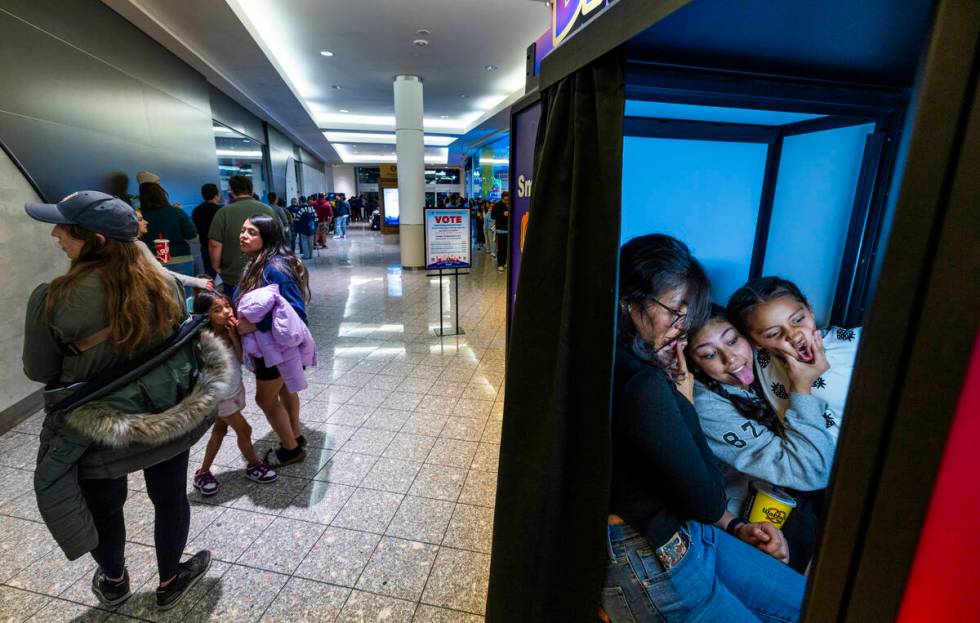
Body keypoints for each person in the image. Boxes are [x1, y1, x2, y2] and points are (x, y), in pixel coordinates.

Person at [22, 191, 222, 611]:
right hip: (165, 417)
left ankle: (114, 579)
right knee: (169, 498)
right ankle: (171, 578)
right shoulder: (165, 284)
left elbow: (39, 370)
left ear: (94, 239)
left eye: (64, 227)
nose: (56, 233)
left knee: (105, 506)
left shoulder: (51, 299)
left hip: (98, 427)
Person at [604, 234, 804, 622]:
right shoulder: (642, 382)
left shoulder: (620, 360)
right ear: (629, 302)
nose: (682, 327)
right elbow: (708, 498)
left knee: (802, 602)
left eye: (687, 315)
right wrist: (685, 395)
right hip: (651, 556)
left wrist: (735, 525)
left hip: (686, 531)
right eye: (675, 311)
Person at [687, 304, 838, 571]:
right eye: (710, 354)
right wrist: (801, 389)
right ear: (695, 365)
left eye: (733, 341)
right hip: (754, 516)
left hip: (809, 496)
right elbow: (810, 472)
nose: (731, 359)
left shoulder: (772, 360)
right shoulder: (706, 406)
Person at [727, 277, 861, 432]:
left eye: (798, 320)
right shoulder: (759, 358)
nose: (794, 335)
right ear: (755, 342)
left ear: (809, 309)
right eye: (774, 333)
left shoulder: (855, 345)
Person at [234, 215, 312, 467]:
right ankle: (295, 436)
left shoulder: (274, 268)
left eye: (252, 232)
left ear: (267, 237)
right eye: (243, 230)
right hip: (276, 347)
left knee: (265, 399)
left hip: (275, 347)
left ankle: (290, 449)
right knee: (285, 389)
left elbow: (296, 314)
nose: (243, 236)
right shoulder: (259, 263)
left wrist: (257, 324)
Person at [192, 290, 277, 495]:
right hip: (220, 397)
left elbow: (241, 359)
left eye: (227, 306)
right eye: (217, 310)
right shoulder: (204, 339)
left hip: (235, 390)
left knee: (219, 431)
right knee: (245, 430)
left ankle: (202, 473)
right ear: (206, 315)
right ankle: (254, 465)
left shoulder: (231, 332)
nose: (225, 312)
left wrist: (234, 336)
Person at [208, 175, 277, 298]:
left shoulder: (223, 213)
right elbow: (278, 239)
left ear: (232, 191)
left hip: (233, 276)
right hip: (265, 272)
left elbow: (215, 243)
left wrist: (216, 266)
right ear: (251, 190)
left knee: (239, 311)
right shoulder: (268, 210)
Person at [138, 182, 198, 277]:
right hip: (181, 259)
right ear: (163, 195)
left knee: (161, 292)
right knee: (185, 291)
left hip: (153, 263)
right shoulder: (177, 212)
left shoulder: (140, 218)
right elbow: (192, 238)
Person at [192, 184, 223, 278]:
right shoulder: (221, 210)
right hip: (220, 248)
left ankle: (210, 292)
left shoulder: (196, 210)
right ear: (216, 195)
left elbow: (195, 229)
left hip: (204, 246)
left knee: (209, 275)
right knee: (226, 276)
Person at [491, 192, 510, 270]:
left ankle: (504, 262)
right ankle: (500, 264)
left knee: (506, 248)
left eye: (508, 200)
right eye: (505, 200)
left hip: (509, 229)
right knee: (501, 248)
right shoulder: (497, 205)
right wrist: (503, 214)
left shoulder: (510, 204)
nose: (507, 201)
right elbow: (493, 216)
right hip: (501, 229)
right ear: (502, 198)